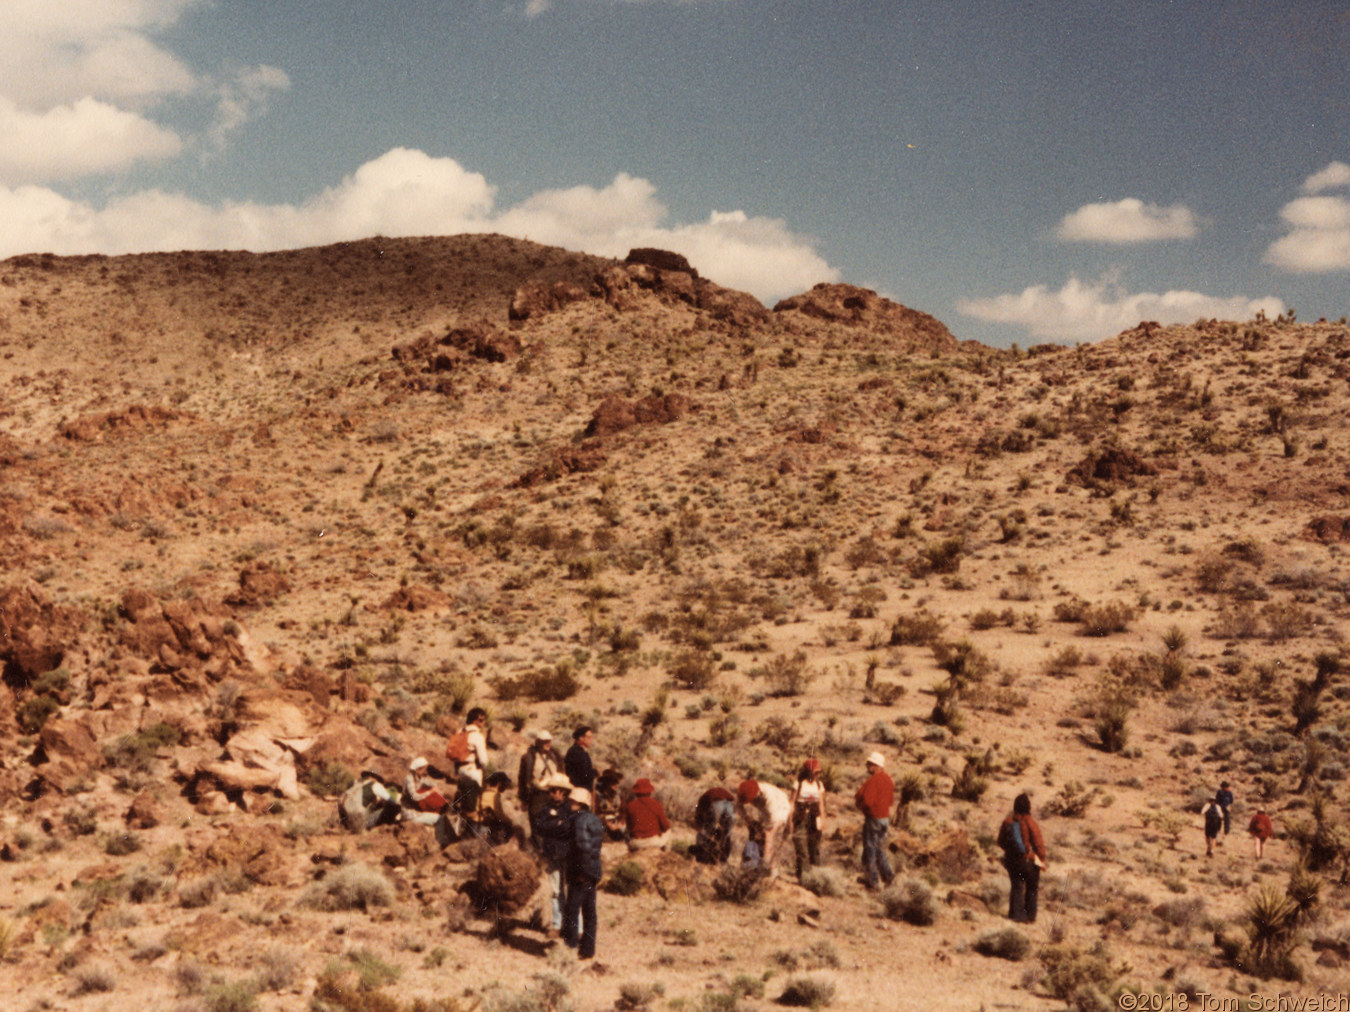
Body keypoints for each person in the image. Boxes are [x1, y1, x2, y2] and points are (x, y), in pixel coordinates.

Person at [529, 773, 574, 936]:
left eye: (557, 790)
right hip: (552, 853)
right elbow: (539, 827)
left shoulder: (570, 808)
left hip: (568, 854)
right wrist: (558, 824)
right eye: (552, 790)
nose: (554, 794)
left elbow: (569, 827)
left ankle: (573, 925)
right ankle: (557, 924)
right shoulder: (546, 809)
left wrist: (553, 825)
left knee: (570, 889)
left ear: (564, 792)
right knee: (555, 890)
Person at [563, 787, 603, 960]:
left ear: (579, 803)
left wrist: (581, 871)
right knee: (589, 912)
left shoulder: (579, 821)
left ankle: (570, 947)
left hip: (581, 871)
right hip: (593, 870)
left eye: (572, 801)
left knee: (572, 910)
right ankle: (588, 949)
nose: (569, 803)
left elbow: (582, 847)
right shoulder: (594, 819)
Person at [997, 793, 1046, 923]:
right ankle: (1030, 916)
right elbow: (1038, 843)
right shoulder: (1031, 822)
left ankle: (1016, 915)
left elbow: (1000, 842)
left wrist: (1011, 852)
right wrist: (1040, 858)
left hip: (1013, 861)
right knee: (1032, 887)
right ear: (1029, 807)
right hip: (1029, 860)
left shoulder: (1008, 821)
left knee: (1017, 886)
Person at [854, 752, 895, 891]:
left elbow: (867, 800)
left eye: (870, 764)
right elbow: (890, 801)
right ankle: (888, 877)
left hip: (873, 819)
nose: (867, 766)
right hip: (884, 819)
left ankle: (874, 882)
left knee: (870, 849)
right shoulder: (888, 780)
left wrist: (862, 806)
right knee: (879, 850)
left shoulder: (873, 781)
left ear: (876, 766)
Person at [736, 778, 791, 876]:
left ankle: (768, 869)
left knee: (768, 837)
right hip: (765, 811)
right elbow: (738, 806)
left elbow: (772, 821)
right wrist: (748, 821)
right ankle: (750, 864)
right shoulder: (744, 791)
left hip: (781, 807)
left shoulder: (770, 797)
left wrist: (767, 831)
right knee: (754, 832)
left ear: (757, 793)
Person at [789, 758, 827, 880]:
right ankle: (804, 877)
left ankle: (817, 877)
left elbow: (821, 803)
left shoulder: (819, 785)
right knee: (801, 848)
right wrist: (789, 820)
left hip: (814, 817)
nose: (818, 775)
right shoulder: (799, 784)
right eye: (815, 772)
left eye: (819, 772)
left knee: (815, 847)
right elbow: (792, 802)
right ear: (808, 772)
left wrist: (823, 820)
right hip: (800, 817)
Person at [452, 707, 490, 819]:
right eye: (482, 720)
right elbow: (483, 760)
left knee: (463, 802)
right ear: (475, 721)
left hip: (460, 770)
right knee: (472, 804)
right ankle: (469, 831)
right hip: (472, 771)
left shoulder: (460, 732)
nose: (484, 723)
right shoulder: (477, 736)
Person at [518, 730, 561, 813]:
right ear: (538, 742)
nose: (548, 743)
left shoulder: (555, 756)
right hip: (537, 795)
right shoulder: (529, 757)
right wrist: (523, 799)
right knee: (536, 822)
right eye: (545, 741)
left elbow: (561, 774)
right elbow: (522, 778)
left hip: (552, 794)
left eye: (549, 741)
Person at [693, 785, 737, 864]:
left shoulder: (701, 803)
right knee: (727, 833)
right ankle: (723, 859)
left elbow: (699, 817)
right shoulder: (707, 797)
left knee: (705, 831)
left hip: (717, 802)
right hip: (729, 804)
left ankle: (700, 858)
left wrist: (702, 826)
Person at [624, 778, 671, 850]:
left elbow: (629, 827)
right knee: (669, 832)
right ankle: (666, 856)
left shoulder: (630, 806)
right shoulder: (656, 804)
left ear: (636, 792)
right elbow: (665, 826)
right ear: (650, 792)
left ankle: (632, 853)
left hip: (636, 842)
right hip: (653, 842)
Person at [594, 768, 626, 840]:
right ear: (606, 783)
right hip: (603, 822)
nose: (616, 784)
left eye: (616, 782)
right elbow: (595, 813)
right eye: (613, 782)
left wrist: (620, 823)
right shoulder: (598, 795)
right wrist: (606, 822)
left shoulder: (620, 795)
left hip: (616, 821)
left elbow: (623, 812)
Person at [565, 726, 597, 792]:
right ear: (581, 738)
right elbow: (584, 775)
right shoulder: (577, 752)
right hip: (579, 791)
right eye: (589, 737)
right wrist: (596, 772)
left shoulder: (578, 751)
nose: (591, 740)